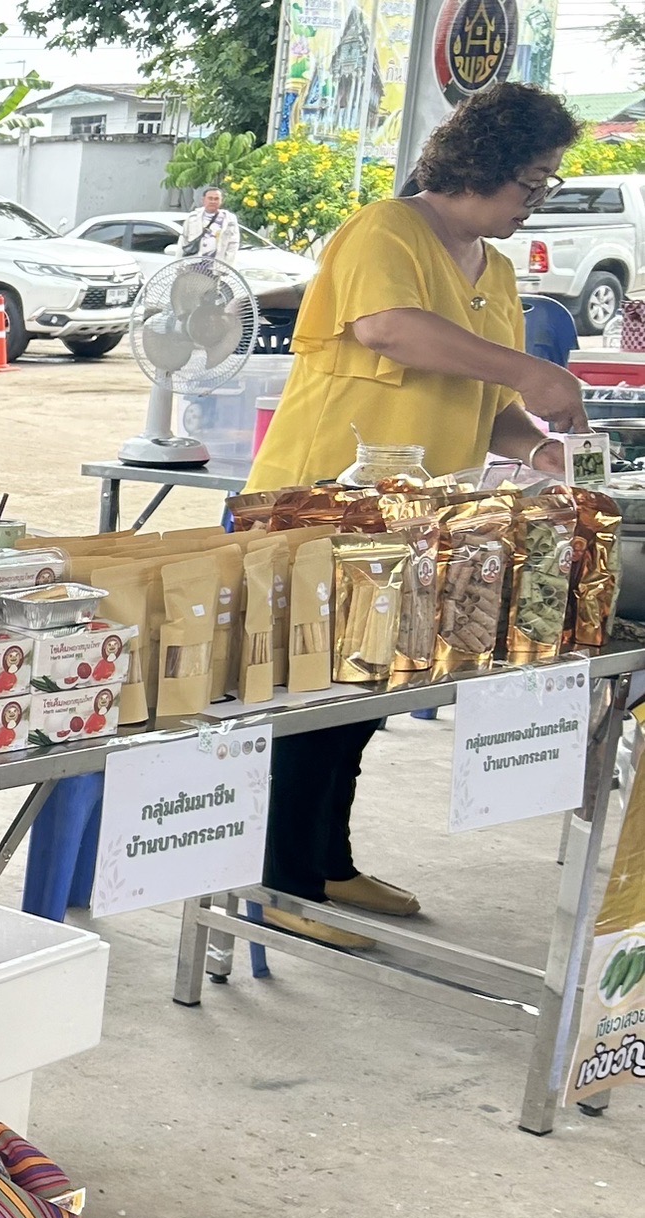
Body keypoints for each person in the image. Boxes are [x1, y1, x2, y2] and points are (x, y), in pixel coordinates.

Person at [247, 82, 588, 950]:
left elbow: (485, 400)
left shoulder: (496, 272)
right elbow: (389, 331)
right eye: (532, 181)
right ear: (483, 165)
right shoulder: (386, 230)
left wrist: (539, 448)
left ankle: (328, 863)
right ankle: (283, 884)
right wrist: (532, 371)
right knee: (312, 699)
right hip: (321, 504)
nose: (536, 200)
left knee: (369, 696)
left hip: (415, 525)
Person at [179, 186, 240, 263]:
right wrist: (179, 263)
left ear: (221, 201)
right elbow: (183, 240)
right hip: (194, 262)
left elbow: (233, 243)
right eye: (210, 198)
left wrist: (227, 264)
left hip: (218, 264)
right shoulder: (192, 217)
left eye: (216, 199)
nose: (213, 201)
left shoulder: (229, 219)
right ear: (203, 200)